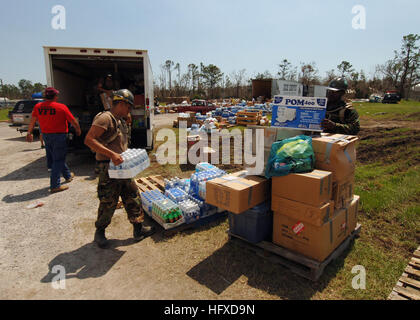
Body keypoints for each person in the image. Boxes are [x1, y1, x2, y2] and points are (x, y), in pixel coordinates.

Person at [84, 89, 155, 249]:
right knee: (108, 201)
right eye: (128, 107)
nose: (129, 110)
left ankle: (138, 229)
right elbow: (89, 140)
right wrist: (112, 154)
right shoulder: (105, 118)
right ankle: (100, 232)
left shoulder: (119, 119)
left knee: (133, 196)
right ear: (121, 104)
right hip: (108, 167)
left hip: (122, 167)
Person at [26, 87, 81, 193]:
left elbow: (33, 120)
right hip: (59, 136)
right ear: (55, 96)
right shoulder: (61, 107)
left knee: (57, 157)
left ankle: (68, 176)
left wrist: (29, 132)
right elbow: (73, 121)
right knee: (58, 159)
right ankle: (55, 185)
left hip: (46, 136)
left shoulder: (38, 106)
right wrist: (78, 130)